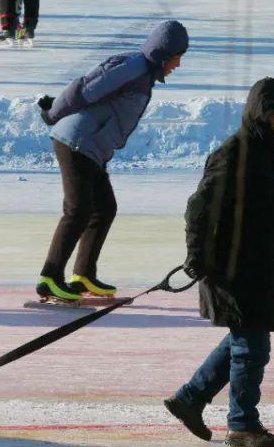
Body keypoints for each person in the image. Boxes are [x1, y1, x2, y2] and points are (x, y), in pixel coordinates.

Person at [164, 77, 274, 447]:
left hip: (260, 269)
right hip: (231, 270)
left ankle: (190, 398)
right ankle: (241, 424)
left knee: (244, 340)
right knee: (252, 346)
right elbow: (199, 210)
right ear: (262, 116)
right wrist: (196, 257)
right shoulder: (233, 154)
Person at [35, 21, 189, 302]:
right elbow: (84, 88)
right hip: (76, 142)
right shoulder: (133, 67)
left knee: (104, 208)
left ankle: (83, 274)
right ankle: (50, 277)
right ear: (165, 53)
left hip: (92, 148)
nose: (178, 65)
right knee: (78, 210)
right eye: (178, 57)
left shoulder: (144, 75)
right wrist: (53, 112)